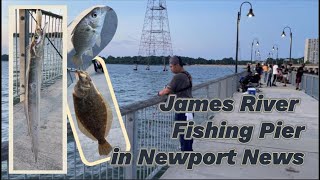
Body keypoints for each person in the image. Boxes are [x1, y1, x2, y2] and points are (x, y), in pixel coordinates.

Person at [158, 55, 193, 151]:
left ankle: (186, 154)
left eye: (171, 66)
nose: (170, 68)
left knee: (182, 132)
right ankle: (189, 151)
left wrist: (158, 93)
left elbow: (166, 91)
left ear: (177, 65)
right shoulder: (187, 74)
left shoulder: (177, 77)